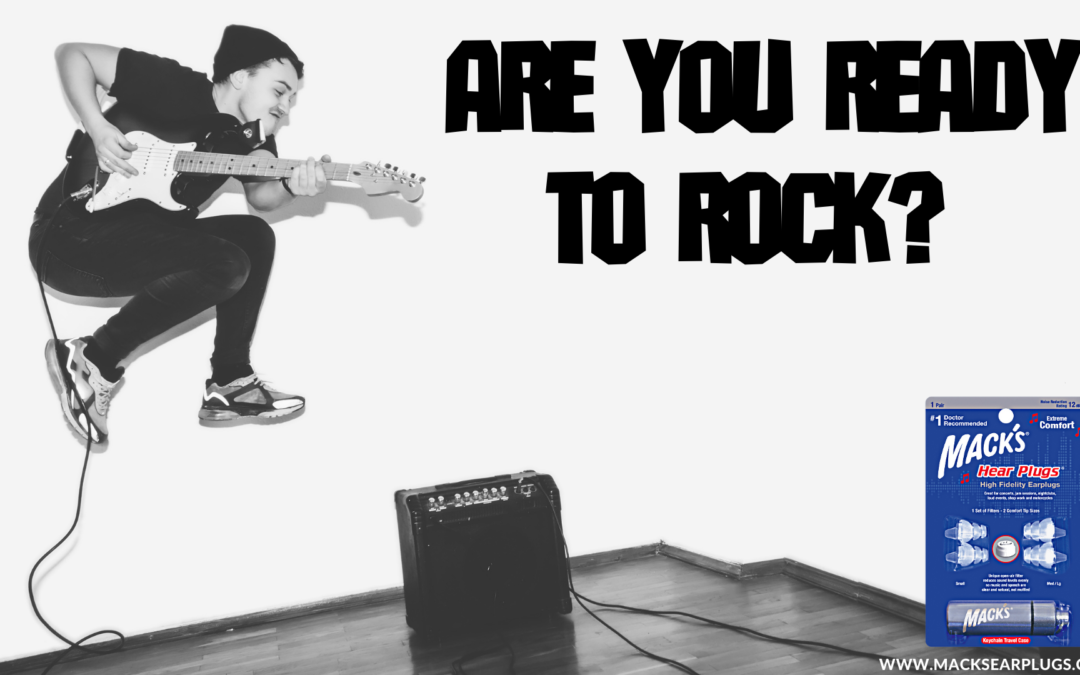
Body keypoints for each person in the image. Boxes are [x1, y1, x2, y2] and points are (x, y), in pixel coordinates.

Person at [30, 25, 329, 444]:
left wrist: (294, 185)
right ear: (241, 77)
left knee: (253, 237)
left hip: (137, 239)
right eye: (280, 91)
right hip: (68, 239)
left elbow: (262, 196)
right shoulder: (172, 84)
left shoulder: (252, 141)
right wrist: (97, 127)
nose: (286, 106)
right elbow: (72, 53)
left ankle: (230, 382)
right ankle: (93, 359)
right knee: (226, 263)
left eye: (292, 99)